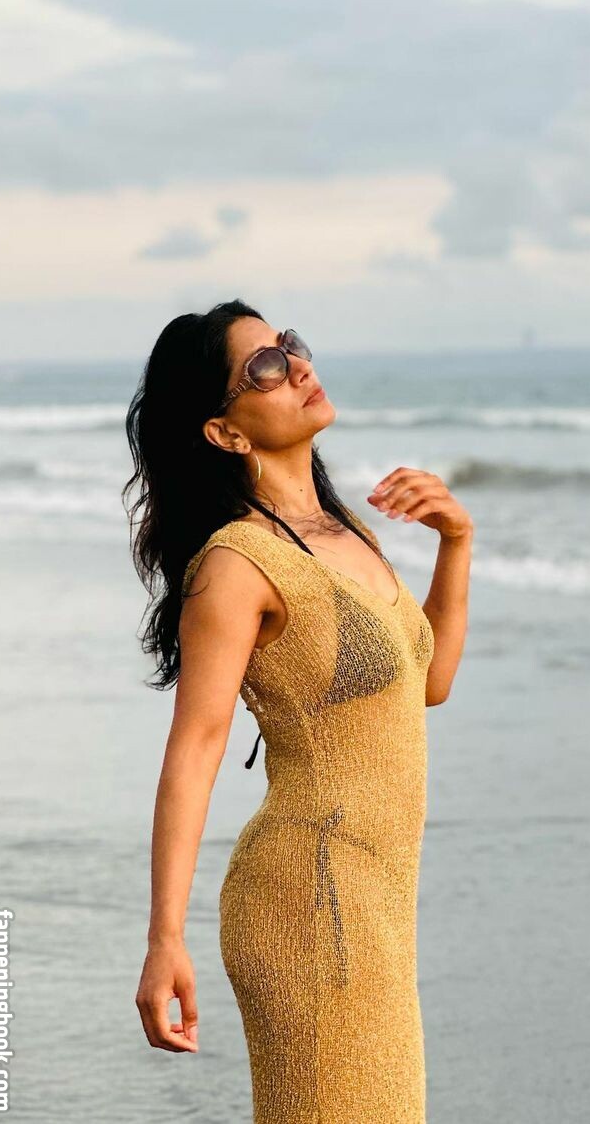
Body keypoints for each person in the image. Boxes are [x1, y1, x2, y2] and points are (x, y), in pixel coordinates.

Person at [125, 299, 472, 1122]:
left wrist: (457, 543)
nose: (299, 366)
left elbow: (426, 683)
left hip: (378, 901)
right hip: (307, 898)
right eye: (266, 367)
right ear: (225, 431)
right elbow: (196, 748)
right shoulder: (237, 563)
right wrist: (164, 938)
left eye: (290, 347)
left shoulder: (346, 533)